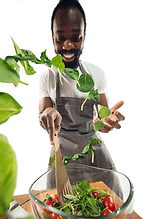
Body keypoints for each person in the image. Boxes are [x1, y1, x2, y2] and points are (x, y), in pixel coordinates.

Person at [39, 0, 125, 178]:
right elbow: (43, 114)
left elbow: (103, 117)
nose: (68, 46)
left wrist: (106, 121)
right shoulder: (47, 77)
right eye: (60, 38)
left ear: (84, 36)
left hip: (95, 154)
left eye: (75, 38)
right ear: (52, 38)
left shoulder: (97, 74)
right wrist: (47, 113)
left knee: (108, 200)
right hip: (61, 156)